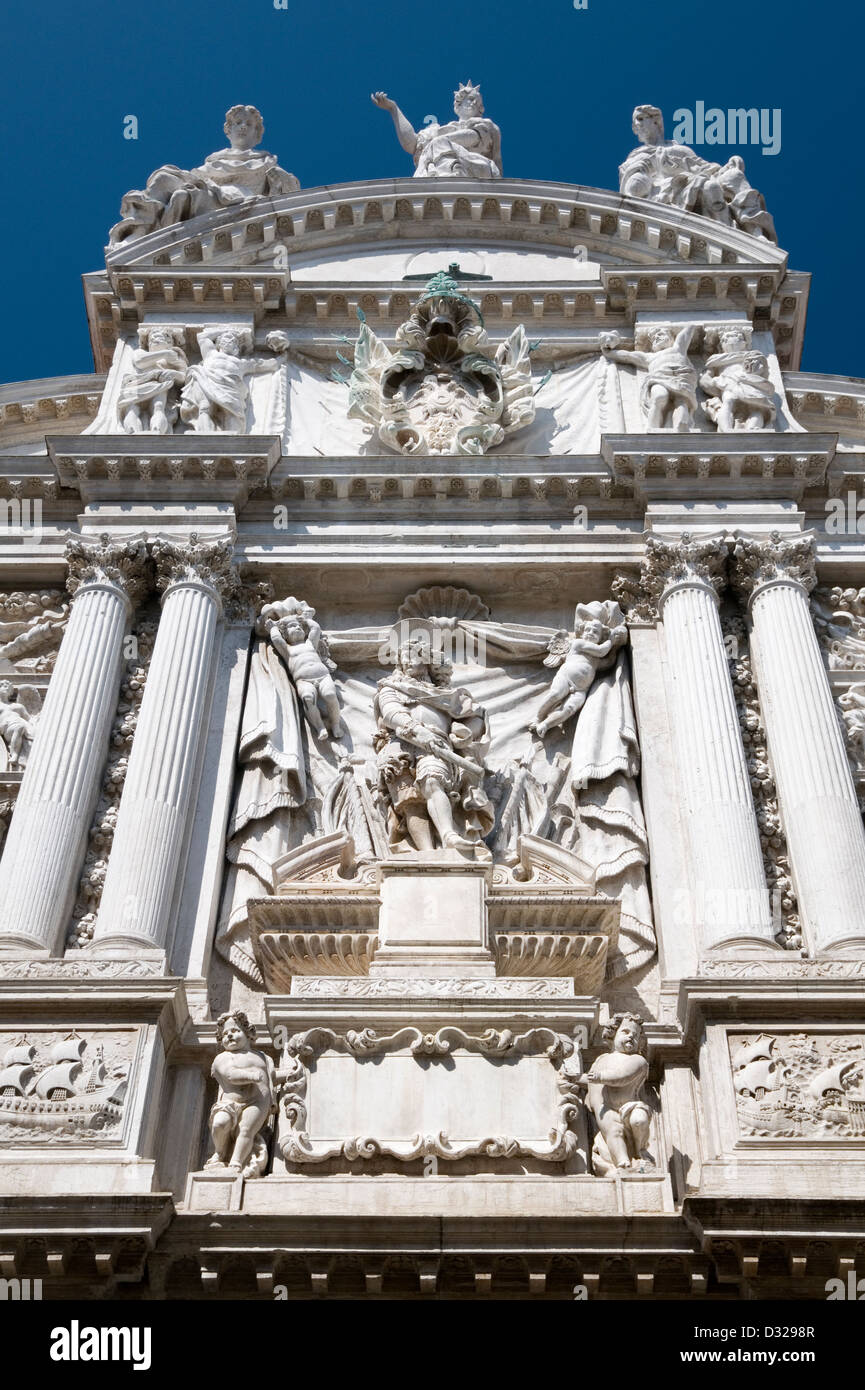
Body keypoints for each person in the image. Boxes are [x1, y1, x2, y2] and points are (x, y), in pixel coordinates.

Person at [374, 634, 494, 854]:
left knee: (432, 779)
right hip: (400, 747)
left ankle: (448, 835)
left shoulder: (447, 695)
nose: (408, 661)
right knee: (410, 800)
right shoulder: (391, 687)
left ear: (428, 660)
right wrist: (416, 730)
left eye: (413, 656)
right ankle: (426, 853)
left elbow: (476, 716)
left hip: (437, 743)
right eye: (404, 658)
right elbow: (391, 712)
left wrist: (465, 733)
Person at [372, 81, 501, 180]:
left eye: (477, 102)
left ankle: (448, 182)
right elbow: (411, 144)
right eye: (471, 99)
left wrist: (437, 142)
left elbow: (472, 137)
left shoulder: (483, 125)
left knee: (439, 143)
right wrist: (393, 109)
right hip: (436, 168)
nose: (474, 104)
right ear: (459, 103)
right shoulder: (437, 131)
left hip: (475, 166)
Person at [261, 597, 344, 742]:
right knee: (307, 699)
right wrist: (272, 628)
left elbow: (315, 629)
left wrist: (306, 619)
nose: (297, 628)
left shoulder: (310, 644)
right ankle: (320, 727)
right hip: (303, 680)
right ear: (285, 634)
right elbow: (276, 640)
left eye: (298, 626)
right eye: (292, 626)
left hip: (323, 676)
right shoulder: (287, 649)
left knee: (330, 695)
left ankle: (336, 724)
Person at [206, 1011, 276, 1179]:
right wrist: (251, 1076)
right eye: (225, 1034)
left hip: (258, 1101)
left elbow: (269, 1078)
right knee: (220, 1124)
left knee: (246, 1130)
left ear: (248, 1034)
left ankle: (236, 1163)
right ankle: (220, 1152)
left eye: (235, 1031)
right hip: (231, 1102)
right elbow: (230, 1074)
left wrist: (290, 1073)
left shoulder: (262, 1057)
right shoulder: (223, 1057)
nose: (229, 1035)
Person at [580, 1014, 652, 1175]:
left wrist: (600, 1077)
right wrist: (575, 1078)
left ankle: (640, 1151)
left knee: (639, 1120)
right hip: (605, 1109)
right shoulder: (601, 1059)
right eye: (625, 1032)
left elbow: (622, 1076)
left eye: (635, 1035)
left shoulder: (638, 1060)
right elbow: (591, 1081)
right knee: (614, 1132)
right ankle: (622, 1163)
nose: (630, 1037)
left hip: (629, 1107)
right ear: (613, 1034)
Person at [179, 327, 287, 433]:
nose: (230, 342)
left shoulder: (241, 363)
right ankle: (204, 432)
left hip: (231, 389)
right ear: (219, 343)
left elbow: (261, 364)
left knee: (233, 413)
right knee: (205, 407)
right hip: (208, 382)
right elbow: (202, 337)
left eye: (233, 341)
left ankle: (232, 435)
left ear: (236, 347)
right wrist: (224, 330)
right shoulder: (211, 354)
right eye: (226, 339)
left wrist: (282, 356)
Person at [601, 324, 697, 431]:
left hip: (681, 379)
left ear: (671, 338)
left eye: (660, 334)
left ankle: (681, 426)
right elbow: (627, 356)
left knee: (681, 401)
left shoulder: (678, 348)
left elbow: (688, 330)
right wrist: (609, 352)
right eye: (653, 338)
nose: (656, 338)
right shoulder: (649, 357)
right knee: (659, 396)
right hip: (659, 379)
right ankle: (653, 428)